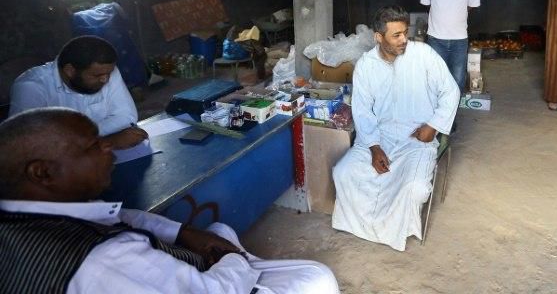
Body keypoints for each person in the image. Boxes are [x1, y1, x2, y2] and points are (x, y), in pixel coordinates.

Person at [0, 108, 340, 294]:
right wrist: (233, 260)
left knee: (218, 227)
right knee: (315, 278)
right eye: (93, 146)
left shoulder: (21, 222)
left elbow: (125, 217)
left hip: (177, 265)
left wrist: (184, 233)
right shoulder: (100, 260)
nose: (109, 147)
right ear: (41, 173)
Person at [332, 6, 460, 251]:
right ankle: (360, 225)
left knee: (414, 189)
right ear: (378, 37)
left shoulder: (423, 54)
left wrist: (433, 126)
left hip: (416, 137)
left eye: (405, 33)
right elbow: (362, 110)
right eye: (396, 35)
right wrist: (374, 147)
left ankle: (394, 230)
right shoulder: (366, 65)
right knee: (343, 173)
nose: (404, 40)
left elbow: (450, 90)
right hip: (378, 135)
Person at [9, 35, 145, 150]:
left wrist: (77, 141)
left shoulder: (104, 71)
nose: (105, 79)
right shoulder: (31, 87)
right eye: (97, 76)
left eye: (109, 73)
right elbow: (28, 145)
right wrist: (106, 142)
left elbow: (126, 117)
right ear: (70, 71)